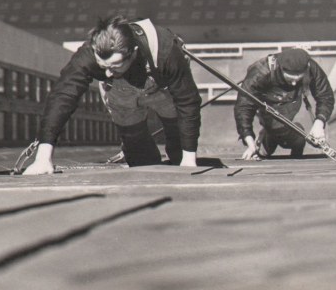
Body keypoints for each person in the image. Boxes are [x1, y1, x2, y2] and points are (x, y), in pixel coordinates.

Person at [22, 16, 202, 173]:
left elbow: (187, 101)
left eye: (114, 66)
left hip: (161, 88)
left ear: (133, 54)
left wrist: (188, 160)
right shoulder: (88, 55)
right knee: (139, 155)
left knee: (179, 143)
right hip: (120, 92)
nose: (107, 73)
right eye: (102, 66)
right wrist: (43, 157)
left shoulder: (164, 49)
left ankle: (180, 155)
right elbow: (63, 96)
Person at [235, 47, 335, 159]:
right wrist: (249, 141)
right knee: (266, 147)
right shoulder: (260, 71)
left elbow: (326, 96)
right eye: (290, 79)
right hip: (266, 103)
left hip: (291, 101)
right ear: (280, 68)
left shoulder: (311, 67)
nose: (293, 84)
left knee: (294, 138)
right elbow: (243, 107)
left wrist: (319, 123)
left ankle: (285, 139)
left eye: (298, 80)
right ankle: (267, 136)